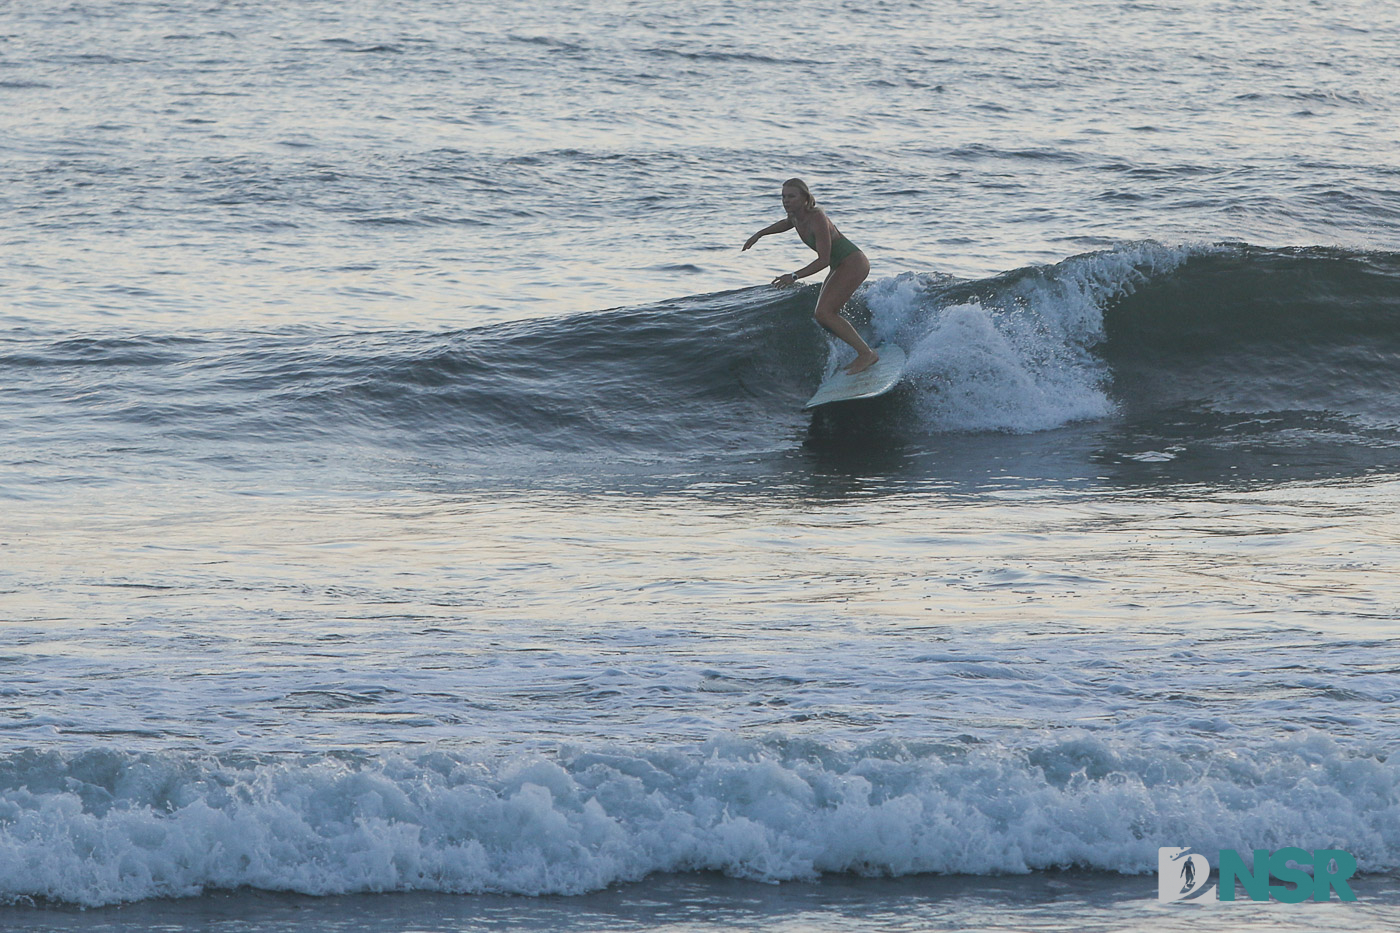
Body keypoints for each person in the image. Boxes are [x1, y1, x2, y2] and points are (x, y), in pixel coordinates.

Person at [742, 177, 877, 374]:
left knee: (825, 313)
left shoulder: (817, 218)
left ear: (805, 198)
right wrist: (759, 234)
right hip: (840, 265)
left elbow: (823, 260)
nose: (786, 201)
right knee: (822, 316)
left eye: (791, 196)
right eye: (783, 197)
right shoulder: (796, 217)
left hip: (853, 263)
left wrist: (794, 276)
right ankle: (861, 347)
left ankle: (867, 354)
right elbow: (785, 224)